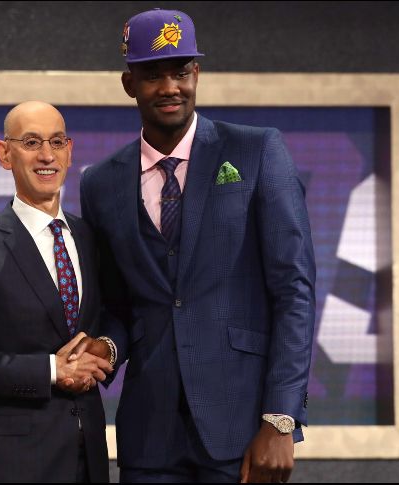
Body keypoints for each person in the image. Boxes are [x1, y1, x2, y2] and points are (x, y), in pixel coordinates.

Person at [73, 8, 316, 483]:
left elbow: (294, 290)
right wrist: (106, 345)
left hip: (243, 428)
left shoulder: (257, 150)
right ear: (129, 84)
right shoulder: (100, 183)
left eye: (181, 72)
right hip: (149, 434)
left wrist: (280, 418)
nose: (170, 87)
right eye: (153, 75)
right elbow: (119, 305)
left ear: (197, 74)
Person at [0, 101, 112, 483]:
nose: (47, 155)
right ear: (4, 154)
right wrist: (51, 370)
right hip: (10, 466)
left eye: (56, 142)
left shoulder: (91, 239)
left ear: (70, 150)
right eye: (31, 142)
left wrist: (106, 349)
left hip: (89, 459)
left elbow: (119, 317)